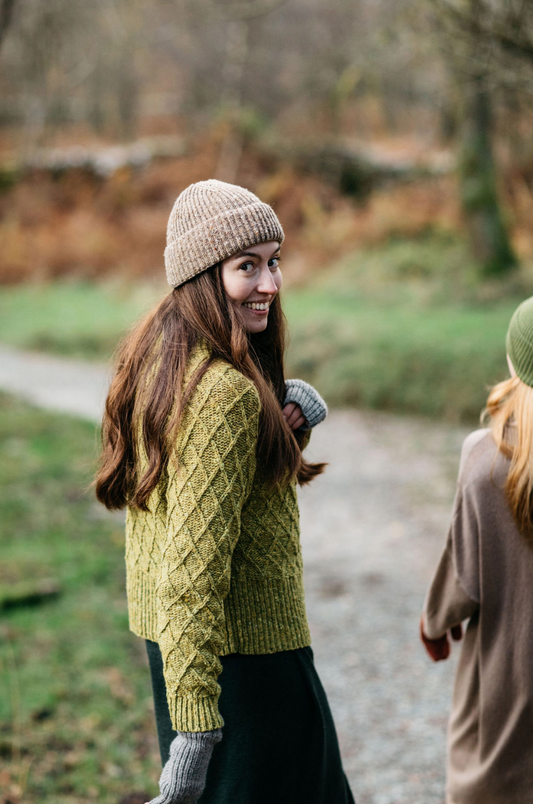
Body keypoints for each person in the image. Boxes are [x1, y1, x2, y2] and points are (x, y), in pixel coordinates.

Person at [96, 180, 356, 804]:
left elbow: (205, 503)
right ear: (203, 277)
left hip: (185, 658)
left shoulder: (161, 361)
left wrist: (282, 418)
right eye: (247, 267)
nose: (270, 283)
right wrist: (194, 734)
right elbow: (193, 573)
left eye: (274, 262)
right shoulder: (222, 394)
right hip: (244, 670)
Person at [420, 295, 533, 804]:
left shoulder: (485, 459)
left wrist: (435, 621)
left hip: (512, 676)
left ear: (515, 360)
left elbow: (462, 577)